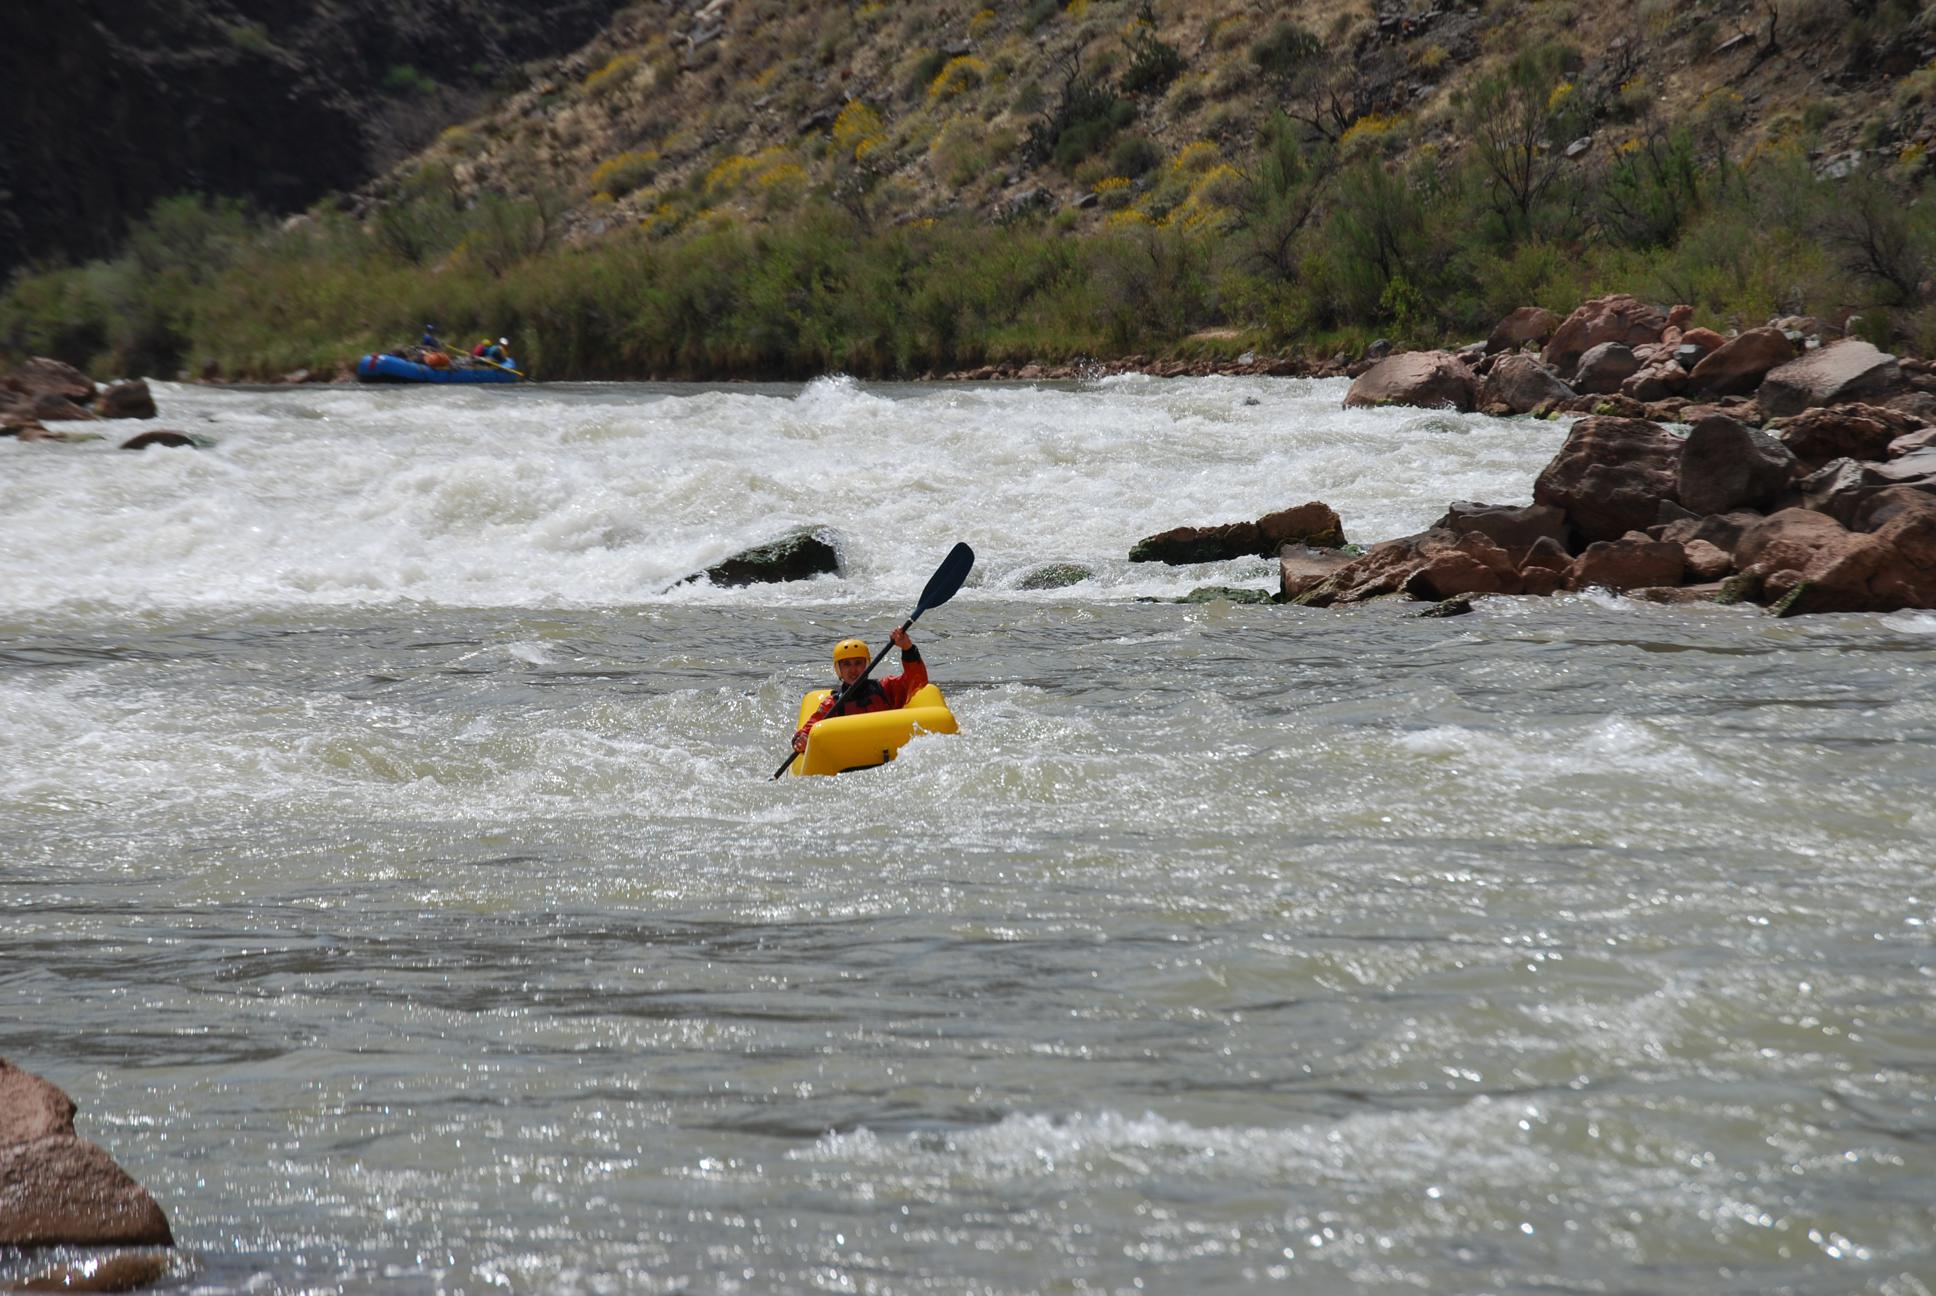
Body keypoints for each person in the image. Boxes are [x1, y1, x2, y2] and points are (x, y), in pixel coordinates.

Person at [791, 627, 926, 753]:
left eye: (858, 663)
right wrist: (801, 740)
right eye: (847, 664)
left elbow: (917, 679)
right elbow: (809, 729)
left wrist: (907, 648)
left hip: (887, 753)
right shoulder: (832, 704)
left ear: (866, 665)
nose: (853, 670)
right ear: (839, 670)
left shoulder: (885, 688)